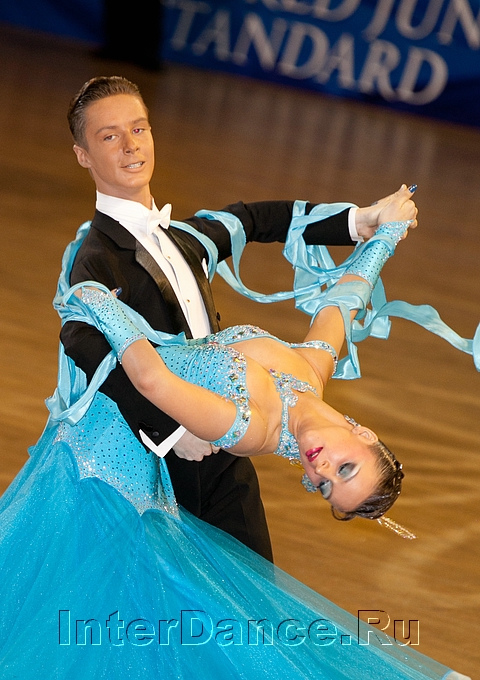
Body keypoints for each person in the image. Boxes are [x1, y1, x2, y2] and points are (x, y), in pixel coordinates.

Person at [0, 186, 469, 678]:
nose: (323, 470)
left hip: (107, 468)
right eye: (345, 468)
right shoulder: (312, 370)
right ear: (365, 433)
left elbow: (151, 378)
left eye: (326, 487)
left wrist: (96, 300)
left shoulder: (250, 427)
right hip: (111, 457)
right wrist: (388, 231)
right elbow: (346, 296)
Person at [61, 74, 419, 561]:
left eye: (139, 129)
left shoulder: (184, 240)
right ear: (82, 154)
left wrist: (364, 221)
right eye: (109, 136)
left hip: (222, 463)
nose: (130, 145)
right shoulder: (96, 257)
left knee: (243, 596)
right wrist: (380, 231)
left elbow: (255, 221)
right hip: (148, 465)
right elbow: (81, 342)